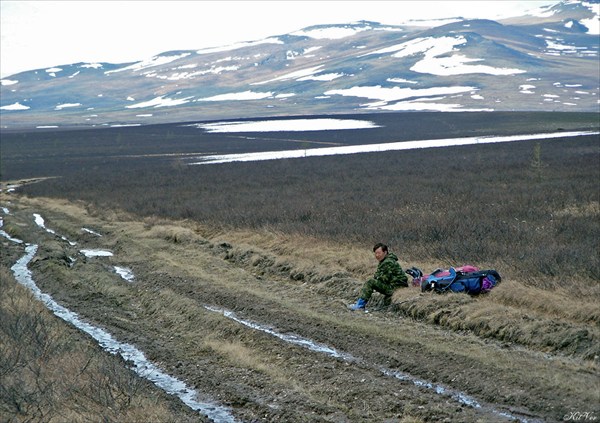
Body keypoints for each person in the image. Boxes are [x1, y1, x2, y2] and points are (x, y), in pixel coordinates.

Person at [348, 243, 408, 311]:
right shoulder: (385, 260)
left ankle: (360, 305)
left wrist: (376, 277)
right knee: (372, 282)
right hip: (395, 286)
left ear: (385, 252)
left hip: (396, 288)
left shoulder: (388, 262)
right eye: (375, 253)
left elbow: (384, 279)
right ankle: (359, 304)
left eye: (379, 253)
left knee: (370, 282)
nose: (377, 255)